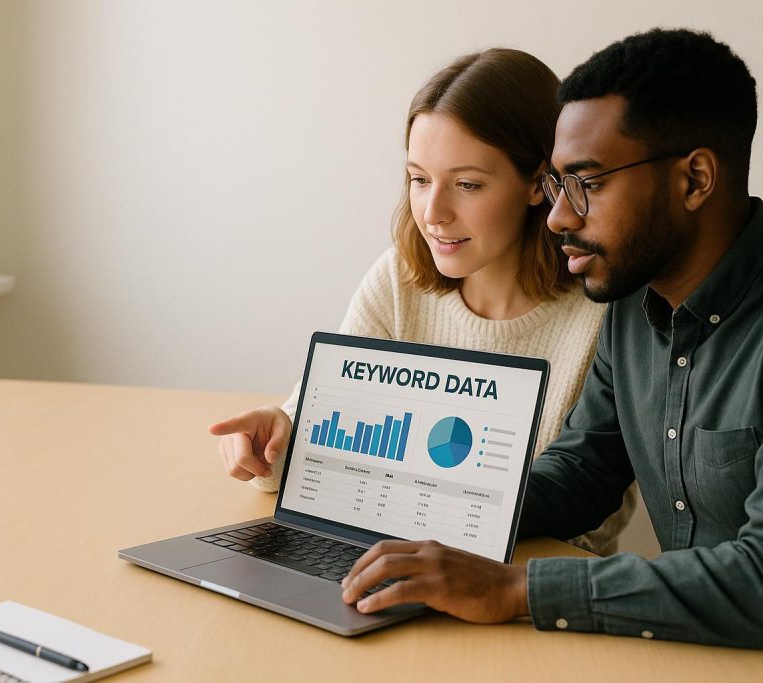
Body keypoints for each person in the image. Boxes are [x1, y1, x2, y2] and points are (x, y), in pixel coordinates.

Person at [338, 28, 763, 649]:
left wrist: (515, 590)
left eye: (588, 184)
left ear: (695, 179)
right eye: (560, 185)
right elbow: (584, 468)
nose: (559, 217)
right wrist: (428, 519)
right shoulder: (635, 299)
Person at [209, 48, 636, 556]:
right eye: (418, 179)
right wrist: (276, 442)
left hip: (526, 585)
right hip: (389, 558)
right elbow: (315, 445)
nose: (433, 213)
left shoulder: (605, 311)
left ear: (537, 184)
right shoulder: (399, 278)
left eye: (467, 184)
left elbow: (594, 512)